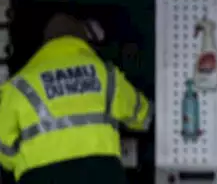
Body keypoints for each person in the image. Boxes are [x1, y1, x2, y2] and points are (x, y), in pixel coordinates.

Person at [0, 13, 152, 184]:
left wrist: (25, 161)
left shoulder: (19, 85)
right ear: (82, 41)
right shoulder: (106, 74)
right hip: (101, 174)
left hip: (42, 177)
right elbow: (143, 116)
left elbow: (4, 149)